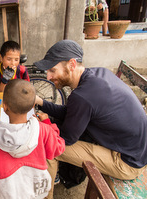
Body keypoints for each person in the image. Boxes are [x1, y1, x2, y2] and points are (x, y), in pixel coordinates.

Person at [33, 40, 147, 198]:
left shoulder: (82, 96)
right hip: (136, 151)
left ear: (72, 64)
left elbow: (66, 139)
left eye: (53, 70)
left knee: (48, 145)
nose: (49, 76)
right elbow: (72, 112)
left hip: (126, 162)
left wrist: (44, 123)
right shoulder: (98, 73)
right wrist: (40, 102)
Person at [0, 79, 65, 198]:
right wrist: (48, 124)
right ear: (33, 106)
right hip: (37, 188)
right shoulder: (43, 129)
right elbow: (58, 149)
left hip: (7, 191)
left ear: (4, 106)